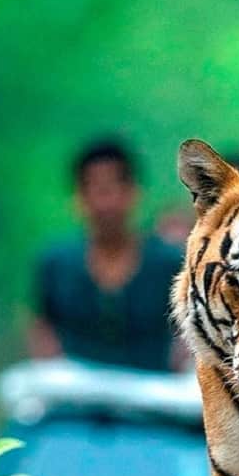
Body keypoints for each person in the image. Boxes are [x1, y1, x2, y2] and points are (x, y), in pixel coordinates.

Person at [29, 139, 185, 372]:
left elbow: (186, 332)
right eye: (95, 190)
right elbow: (41, 323)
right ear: (78, 197)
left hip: (150, 391)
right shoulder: (57, 262)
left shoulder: (169, 262)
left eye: (112, 189)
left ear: (134, 192)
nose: (105, 203)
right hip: (75, 393)